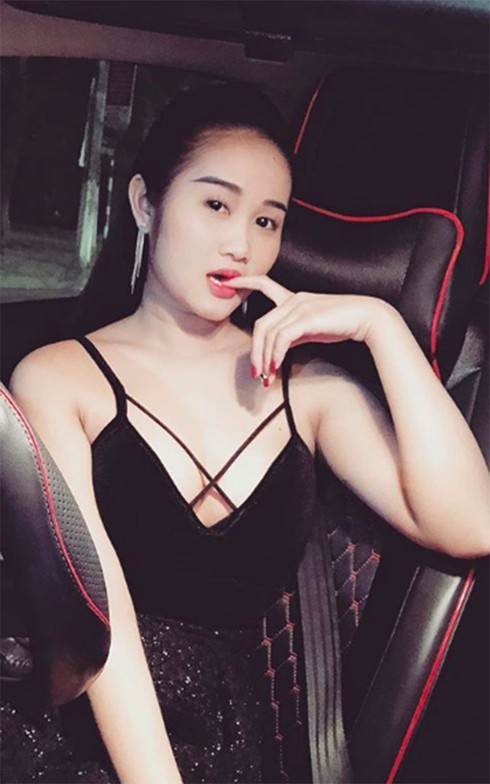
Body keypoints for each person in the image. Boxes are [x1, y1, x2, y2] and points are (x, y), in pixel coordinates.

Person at [6, 83, 490, 784]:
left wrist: (380, 325)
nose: (242, 244)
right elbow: (97, 611)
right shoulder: (58, 378)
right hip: (86, 722)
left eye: (267, 221)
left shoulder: (311, 390)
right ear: (145, 203)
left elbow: (472, 524)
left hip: (234, 738)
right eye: (216, 205)